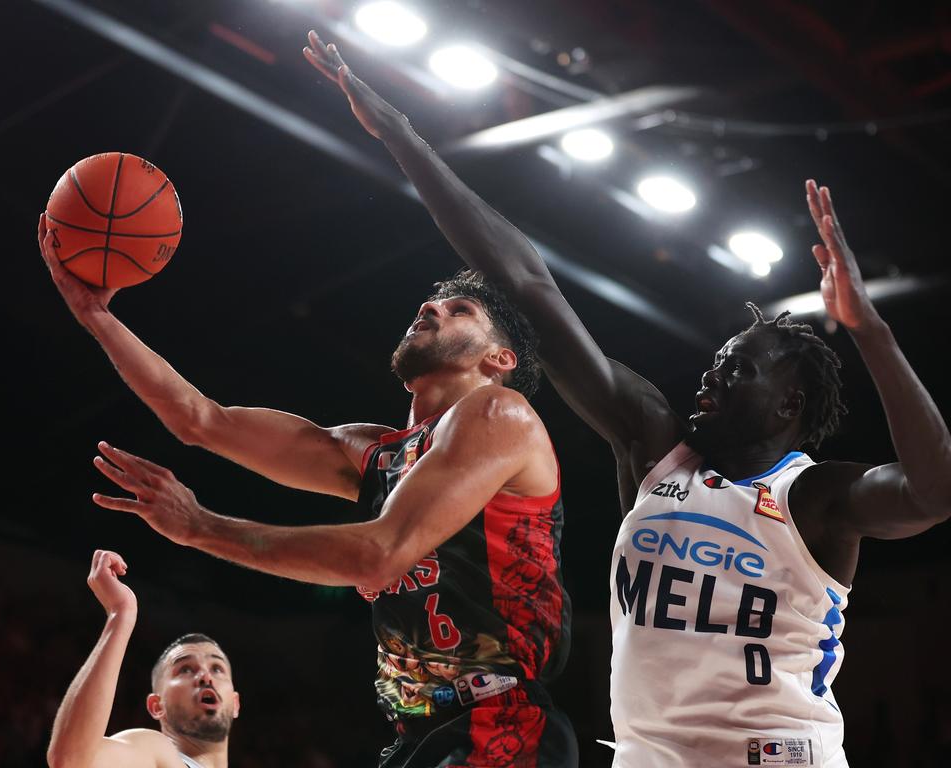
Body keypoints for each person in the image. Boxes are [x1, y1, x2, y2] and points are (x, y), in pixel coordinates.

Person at [299, 30, 951, 767]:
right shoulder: (654, 446)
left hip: (775, 752)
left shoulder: (818, 498)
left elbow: (934, 489)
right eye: (715, 362)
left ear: (787, 407)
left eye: (737, 370)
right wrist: (403, 133)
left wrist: (873, 334)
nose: (709, 377)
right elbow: (528, 285)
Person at [38, 213, 577, 761]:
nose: (431, 307)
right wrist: (95, 315)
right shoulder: (375, 451)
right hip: (416, 736)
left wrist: (200, 526)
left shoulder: (500, 412)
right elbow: (200, 420)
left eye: (461, 311)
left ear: (499, 359)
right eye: (432, 303)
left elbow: (378, 555)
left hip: (501, 725)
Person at [47, 549, 239, 768]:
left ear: (235, 703)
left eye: (217, 668)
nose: (205, 675)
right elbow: (71, 760)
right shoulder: (158, 752)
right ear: (157, 706)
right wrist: (121, 613)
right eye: (185, 669)